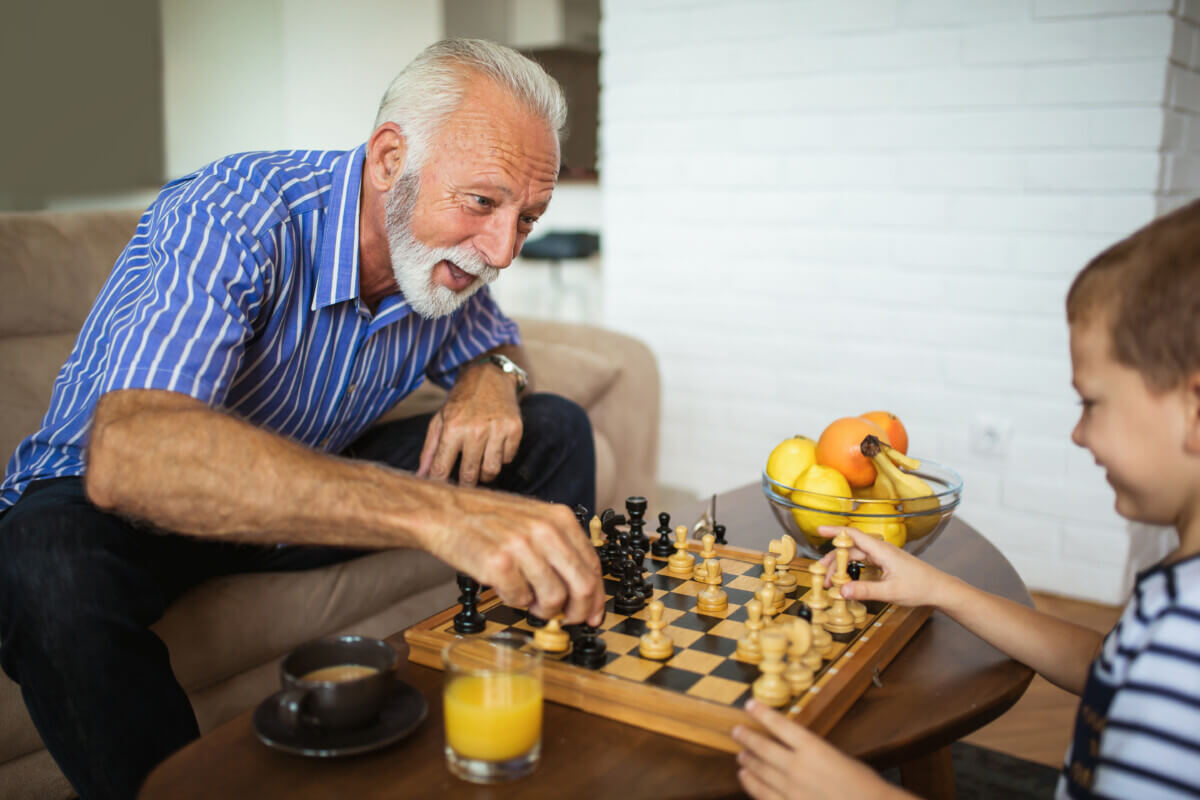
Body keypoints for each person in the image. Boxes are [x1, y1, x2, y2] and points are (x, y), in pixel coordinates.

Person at [0, 38, 606, 799]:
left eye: (529, 218)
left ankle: (534, 689)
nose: (503, 248)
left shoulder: (448, 257)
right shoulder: (236, 211)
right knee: (41, 558)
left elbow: (497, 341)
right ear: (390, 159)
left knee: (551, 426)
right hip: (120, 511)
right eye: (483, 202)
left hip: (298, 500)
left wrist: (497, 374)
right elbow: (131, 457)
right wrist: (441, 515)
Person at [733, 200, 1200, 799]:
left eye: (1092, 404)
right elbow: (1107, 666)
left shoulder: (1184, 645)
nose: (1078, 434)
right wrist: (938, 587)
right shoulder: (1176, 609)